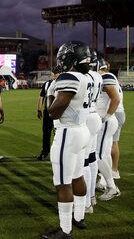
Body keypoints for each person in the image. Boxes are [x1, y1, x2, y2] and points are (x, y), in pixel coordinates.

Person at [41, 41, 91, 239]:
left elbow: (53, 112)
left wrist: (50, 93)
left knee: (62, 182)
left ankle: (65, 230)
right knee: (77, 175)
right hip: (82, 130)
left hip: (68, 133)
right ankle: (79, 217)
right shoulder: (86, 77)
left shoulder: (69, 77)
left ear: (71, 58)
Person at [95, 59, 120, 201]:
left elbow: (115, 98)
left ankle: (112, 187)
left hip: (106, 119)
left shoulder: (106, 76)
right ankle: (104, 183)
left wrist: (106, 117)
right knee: (104, 153)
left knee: (97, 154)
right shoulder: (105, 77)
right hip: (108, 119)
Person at [82, 49, 103, 214]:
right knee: (92, 158)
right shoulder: (98, 76)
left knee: (83, 162)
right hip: (95, 115)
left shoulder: (85, 76)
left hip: (86, 117)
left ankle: (87, 202)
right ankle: (92, 197)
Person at [36, 66, 60, 161]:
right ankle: (45, 152)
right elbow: (41, 96)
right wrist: (39, 109)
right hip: (50, 111)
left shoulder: (61, 83)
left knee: (56, 133)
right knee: (47, 133)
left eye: (55, 73)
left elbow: (41, 97)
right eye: (54, 73)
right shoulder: (47, 84)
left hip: (58, 112)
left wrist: (39, 109)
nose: (54, 74)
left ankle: (55, 152)